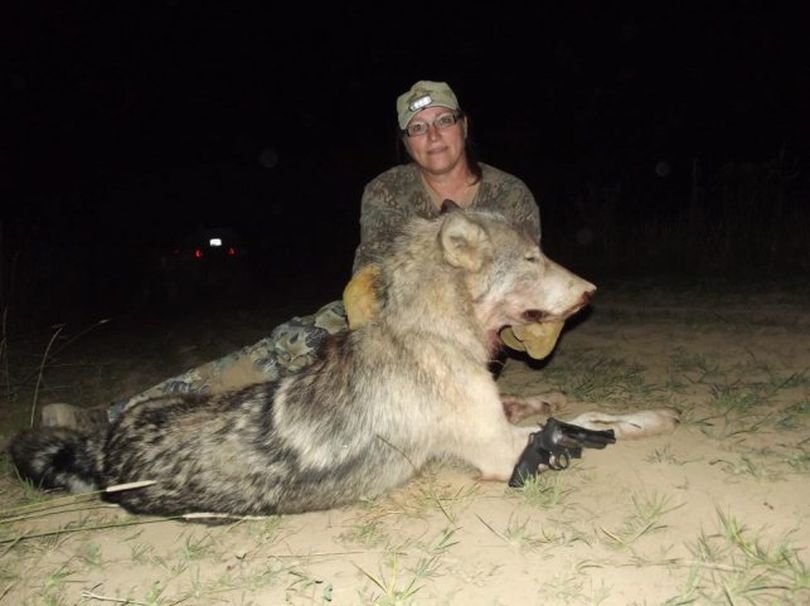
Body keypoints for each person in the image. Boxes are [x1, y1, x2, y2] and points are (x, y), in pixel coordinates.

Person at [42, 80, 543, 431]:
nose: (432, 135)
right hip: (388, 326)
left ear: (464, 126)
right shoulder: (386, 192)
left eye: (443, 120)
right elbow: (372, 282)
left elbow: (527, 285)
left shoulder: (510, 196)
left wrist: (531, 321)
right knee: (283, 351)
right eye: (417, 127)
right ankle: (116, 416)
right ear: (406, 142)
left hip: (469, 341)